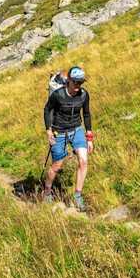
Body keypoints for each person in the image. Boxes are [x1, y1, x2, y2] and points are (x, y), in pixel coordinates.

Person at [42, 65, 94, 211]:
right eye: (76, 82)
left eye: (81, 82)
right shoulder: (58, 95)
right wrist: (48, 131)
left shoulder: (84, 95)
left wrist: (89, 136)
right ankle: (47, 191)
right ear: (69, 81)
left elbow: (87, 114)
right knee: (57, 166)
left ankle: (77, 196)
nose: (78, 85)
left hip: (76, 129)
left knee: (83, 161)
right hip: (59, 131)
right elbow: (47, 110)